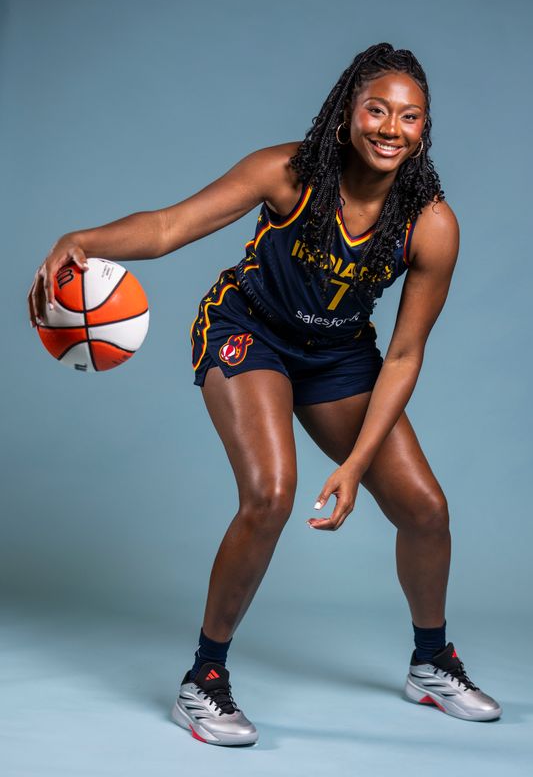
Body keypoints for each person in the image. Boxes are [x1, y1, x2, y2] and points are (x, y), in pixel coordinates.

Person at [27, 42, 501, 747]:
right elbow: (169, 227)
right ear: (347, 115)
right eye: (376, 109)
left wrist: (355, 463)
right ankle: (204, 679)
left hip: (339, 356)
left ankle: (429, 660)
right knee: (271, 493)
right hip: (249, 333)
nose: (389, 128)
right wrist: (84, 238)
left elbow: (403, 353)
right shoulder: (286, 173)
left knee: (425, 509)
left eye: (408, 117)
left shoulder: (430, 224)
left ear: (422, 132)